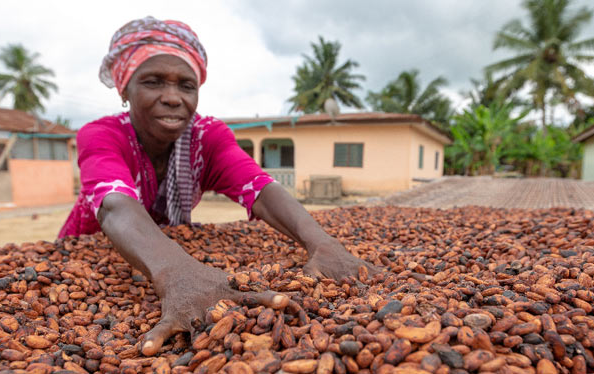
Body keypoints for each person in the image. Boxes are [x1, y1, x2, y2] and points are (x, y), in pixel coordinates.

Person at [59, 16, 375, 355]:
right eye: (153, 82)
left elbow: (260, 188)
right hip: (89, 254)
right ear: (125, 88)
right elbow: (114, 205)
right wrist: (177, 271)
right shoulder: (102, 135)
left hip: (168, 250)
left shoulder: (207, 138)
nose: (172, 97)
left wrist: (321, 242)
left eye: (186, 85)